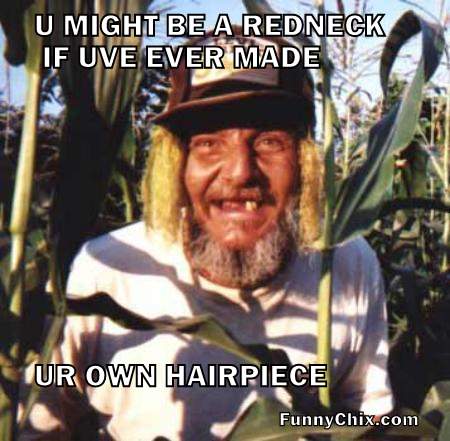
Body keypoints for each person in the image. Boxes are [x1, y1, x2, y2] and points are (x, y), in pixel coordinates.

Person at [20, 31, 393, 440]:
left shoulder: (345, 264)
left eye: (269, 141)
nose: (240, 172)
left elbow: (366, 412)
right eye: (209, 143)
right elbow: (40, 427)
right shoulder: (107, 271)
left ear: (305, 164)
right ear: (176, 166)